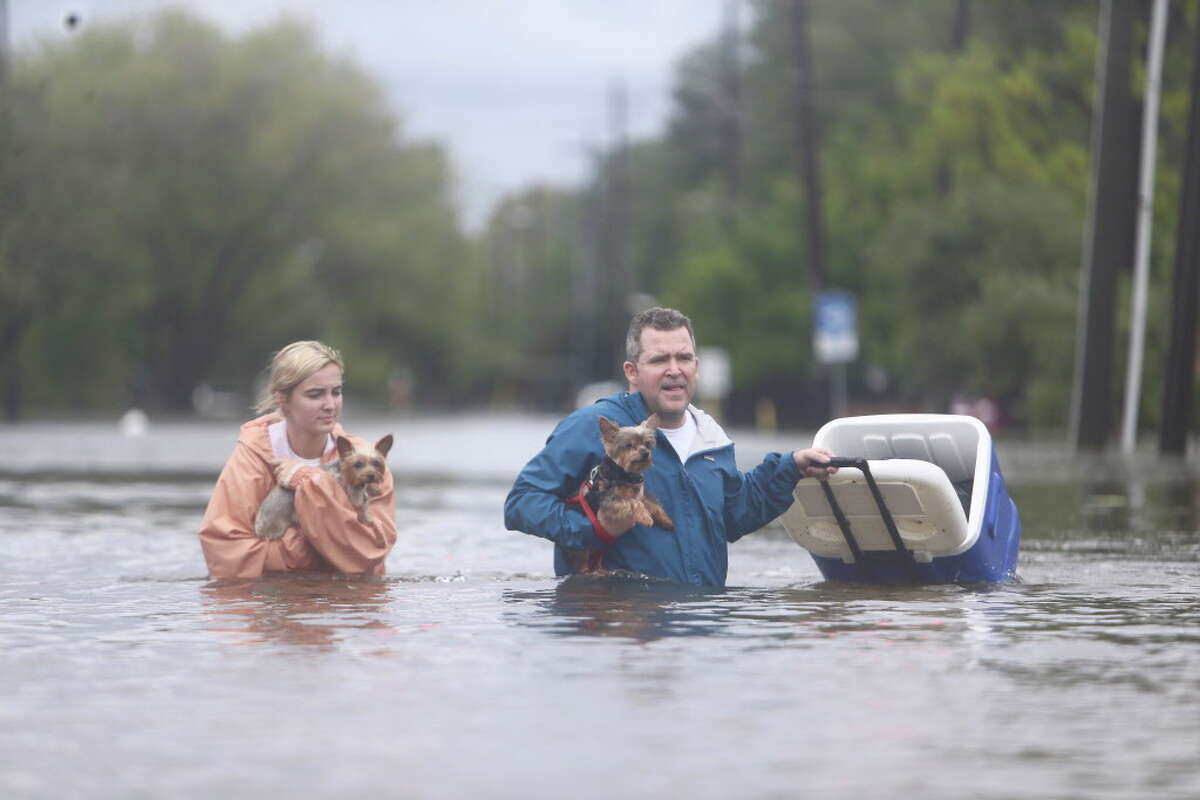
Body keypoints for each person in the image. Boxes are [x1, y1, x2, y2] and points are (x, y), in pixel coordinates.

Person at [504, 307, 837, 587]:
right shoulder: (595, 426)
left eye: (684, 358)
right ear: (632, 372)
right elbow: (522, 503)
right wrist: (593, 530)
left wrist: (791, 467)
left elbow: (735, 515)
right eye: (660, 359)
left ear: (697, 366)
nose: (674, 370)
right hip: (615, 635)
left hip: (699, 633)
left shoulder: (711, 435)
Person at [198, 341, 397, 579]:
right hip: (274, 606)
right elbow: (224, 553)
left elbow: (371, 552)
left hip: (347, 609)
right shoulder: (253, 458)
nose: (330, 405)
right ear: (283, 399)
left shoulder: (367, 464)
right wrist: (312, 551)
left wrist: (306, 479)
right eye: (315, 395)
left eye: (336, 392)